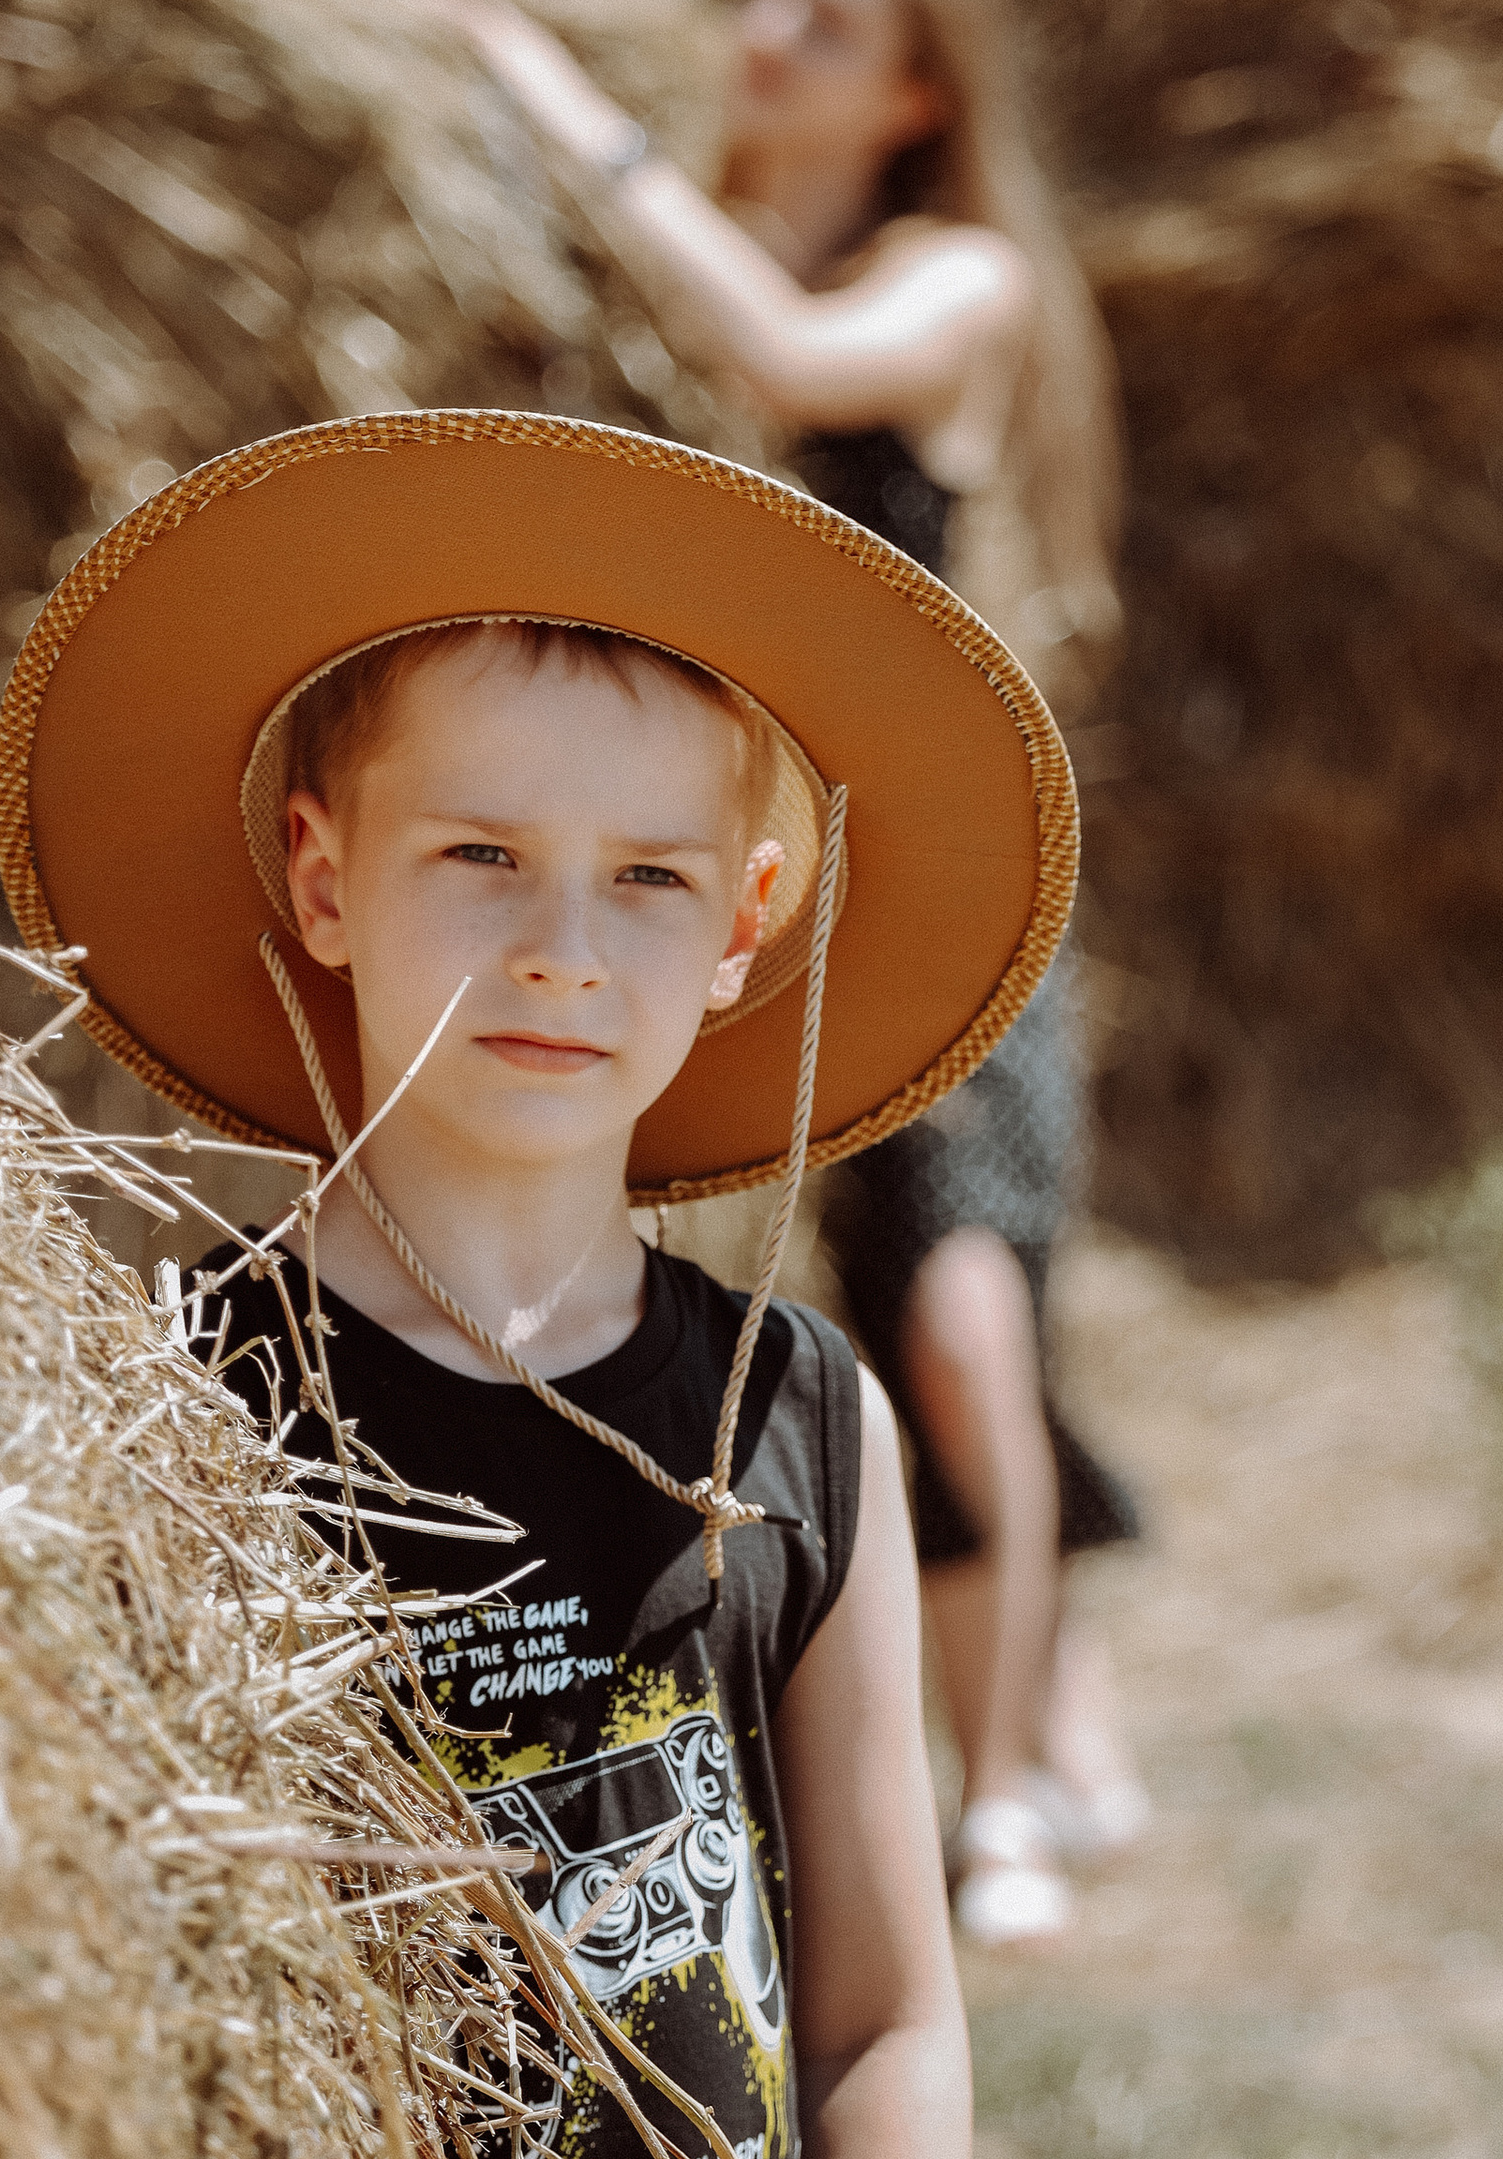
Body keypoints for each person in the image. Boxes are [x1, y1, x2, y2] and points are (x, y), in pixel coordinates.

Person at [0, 416, 1080, 2159]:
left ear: (748, 922)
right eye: (475, 853)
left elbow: (880, 2020)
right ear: (323, 877)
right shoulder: (168, 1402)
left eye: (648, 875)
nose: (564, 943)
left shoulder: (799, 1412)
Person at [433, 0, 1152, 1943]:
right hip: (727, 874)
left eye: (825, 20)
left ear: (919, 93)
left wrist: (527, 72)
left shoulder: (955, 280)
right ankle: (1029, 1712)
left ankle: (997, 1791)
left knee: (961, 1308)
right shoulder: (678, 283)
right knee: (829, 1318)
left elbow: (791, 350)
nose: (765, 32)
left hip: (933, 870)